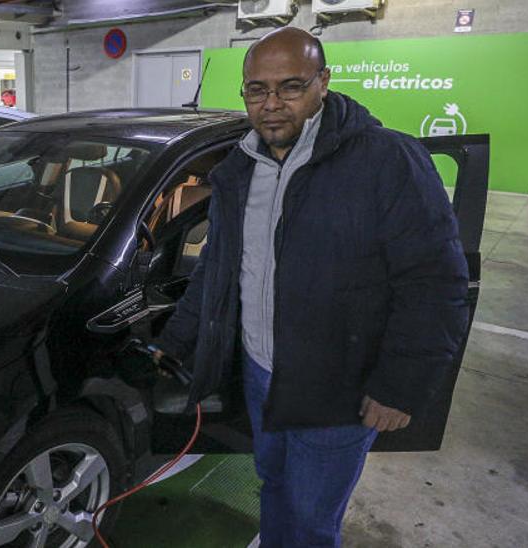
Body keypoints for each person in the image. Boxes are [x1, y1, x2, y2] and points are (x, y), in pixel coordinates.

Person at [153, 27, 469, 547]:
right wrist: (174, 341)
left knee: (312, 518)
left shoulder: (386, 161)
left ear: (323, 82)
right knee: (273, 486)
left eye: (291, 87)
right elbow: (218, 268)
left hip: (338, 386)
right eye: (257, 89)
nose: (272, 104)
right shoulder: (240, 170)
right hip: (260, 374)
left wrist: (399, 387)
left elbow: (435, 283)